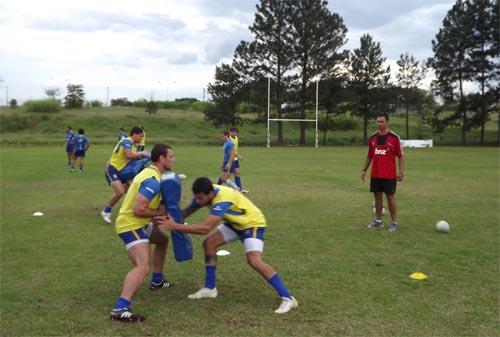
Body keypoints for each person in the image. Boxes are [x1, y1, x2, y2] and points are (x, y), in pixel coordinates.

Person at [155, 177, 299, 314]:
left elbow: (205, 229)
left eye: (200, 198)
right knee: (209, 244)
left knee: (254, 260)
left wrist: (175, 226)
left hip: (252, 223)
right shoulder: (205, 193)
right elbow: (186, 212)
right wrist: (167, 218)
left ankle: (288, 298)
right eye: (196, 198)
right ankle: (210, 288)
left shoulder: (222, 200)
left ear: (210, 194)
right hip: (235, 223)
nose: (198, 201)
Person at [109, 144, 175, 323]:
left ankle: (157, 280)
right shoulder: (152, 180)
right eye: (171, 156)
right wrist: (159, 214)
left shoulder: (153, 175)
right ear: (161, 159)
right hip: (131, 225)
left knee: (162, 240)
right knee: (142, 266)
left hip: (141, 223)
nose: (173, 159)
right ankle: (120, 307)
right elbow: (139, 209)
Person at [360, 113, 405, 232]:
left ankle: (394, 223)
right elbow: (369, 156)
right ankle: (378, 221)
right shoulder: (372, 138)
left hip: (389, 175)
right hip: (375, 174)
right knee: (377, 198)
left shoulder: (394, 138)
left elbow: (401, 156)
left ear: (387, 122)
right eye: (378, 121)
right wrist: (364, 170)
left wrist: (401, 172)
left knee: (390, 197)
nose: (379, 123)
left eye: (382, 121)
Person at [101, 126, 149, 224]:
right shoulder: (127, 141)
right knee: (120, 192)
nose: (141, 139)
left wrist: (146, 160)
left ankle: (131, 213)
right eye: (140, 136)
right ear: (134, 134)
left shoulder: (133, 147)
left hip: (122, 172)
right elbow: (129, 155)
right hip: (112, 170)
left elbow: (134, 161)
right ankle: (106, 211)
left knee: (132, 190)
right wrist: (143, 153)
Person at [229, 127, 249, 193]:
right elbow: (231, 150)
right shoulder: (229, 139)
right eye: (233, 132)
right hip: (231, 158)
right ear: (230, 132)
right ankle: (220, 186)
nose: (234, 133)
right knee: (228, 175)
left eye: (235, 132)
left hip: (235, 158)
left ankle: (240, 189)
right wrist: (238, 156)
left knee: (237, 173)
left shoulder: (236, 138)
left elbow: (235, 149)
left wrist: (237, 156)